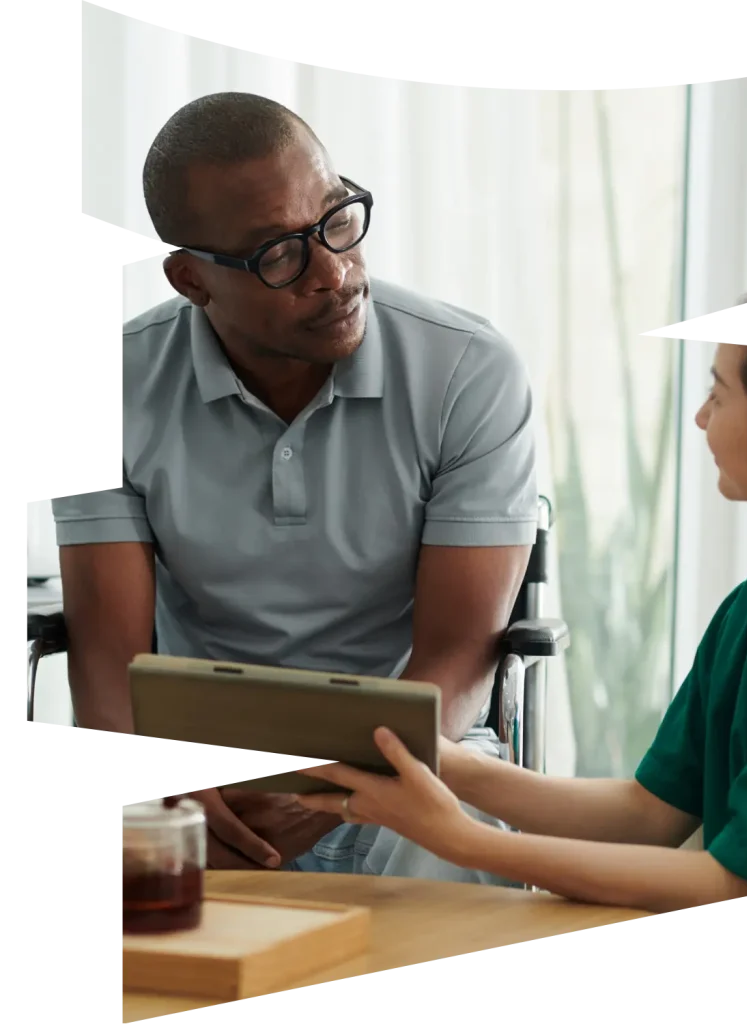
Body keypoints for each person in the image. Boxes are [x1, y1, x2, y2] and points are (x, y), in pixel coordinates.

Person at [292, 264, 747, 912]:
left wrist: (464, 839)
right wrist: (428, 761)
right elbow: (650, 812)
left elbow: (736, 880)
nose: (700, 418)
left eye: (718, 396)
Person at [54, 92, 539, 883]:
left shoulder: (468, 371)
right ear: (191, 279)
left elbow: (458, 656)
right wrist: (161, 787)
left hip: (408, 756)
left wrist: (332, 789)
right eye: (280, 253)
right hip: (196, 769)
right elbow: (110, 669)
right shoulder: (114, 385)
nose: (335, 271)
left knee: (453, 849)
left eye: (338, 217)